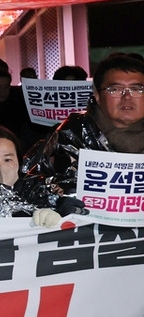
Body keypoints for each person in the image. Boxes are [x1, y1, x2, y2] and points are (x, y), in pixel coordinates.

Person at [20, 53, 144, 222]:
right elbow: (29, 179)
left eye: (137, 89)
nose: (127, 96)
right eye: (115, 89)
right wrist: (57, 201)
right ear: (97, 96)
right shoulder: (71, 132)